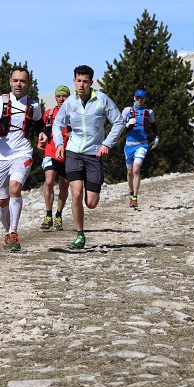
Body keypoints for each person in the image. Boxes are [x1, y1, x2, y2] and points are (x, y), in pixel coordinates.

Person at [53, 65, 125, 250]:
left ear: (91, 82)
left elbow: (118, 121)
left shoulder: (102, 100)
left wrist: (106, 144)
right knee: (75, 193)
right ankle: (80, 235)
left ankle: (88, 200)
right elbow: (57, 124)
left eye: (85, 81)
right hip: (74, 152)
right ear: (74, 81)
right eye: (78, 81)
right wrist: (60, 143)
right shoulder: (70, 102)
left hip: (94, 154)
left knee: (91, 203)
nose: (81, 85)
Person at [0, 67, 43, 253]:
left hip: (22, 152)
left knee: (15, 188)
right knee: (2, 200)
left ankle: (14, 232)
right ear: (10, 82)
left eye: (23, 81)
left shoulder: (34, 106)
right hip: (0, 156)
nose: (19, 84)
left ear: (28, 84)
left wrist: (42, 135)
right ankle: (7, 232)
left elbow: (40, 125)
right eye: (15, 80)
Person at [38, 85, 72, 231]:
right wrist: (40, 141)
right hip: (51, 151)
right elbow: (41, 131)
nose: (61, 99)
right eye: (59, 96)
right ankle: (48, 214)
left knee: (64, 186)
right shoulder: (49, 113)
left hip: (68, 154)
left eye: (64, 96)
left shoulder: (74, 114)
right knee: (49, 181)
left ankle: (58, 215)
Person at [122, 89, 159, 208]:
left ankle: (134, 198)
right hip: (129, 145)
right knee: (129, 172)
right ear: (134, 98)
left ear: (145, 99)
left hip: (142, 144)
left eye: (141, 98)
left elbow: (153, 125)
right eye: (137, 98)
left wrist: (156, 137)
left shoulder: (149, 112)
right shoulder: (127, 111)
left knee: (136, 170)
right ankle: (131, 192)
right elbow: (119, 125)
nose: (139, 100)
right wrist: (127, 125)